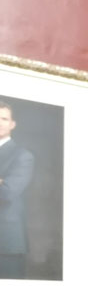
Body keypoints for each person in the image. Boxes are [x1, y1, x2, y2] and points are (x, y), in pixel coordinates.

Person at [0, 101, 36, 279]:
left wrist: (3, 185)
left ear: (12, 124)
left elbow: (6, 193)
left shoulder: (22, 156)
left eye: (4, 119)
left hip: (6, 244)